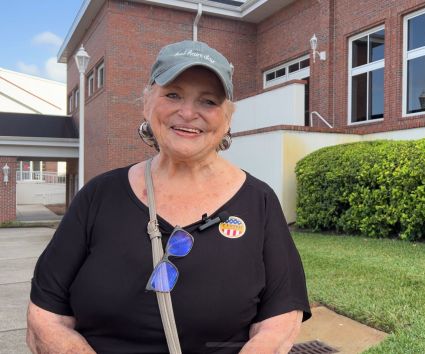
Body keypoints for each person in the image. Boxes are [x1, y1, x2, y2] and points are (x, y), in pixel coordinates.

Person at [26, 40, 311, 353]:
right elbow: (45, 316)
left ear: (227, 118)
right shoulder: (97, 196)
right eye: (173, 95)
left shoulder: (259, 201)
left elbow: (281, 318)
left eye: (208, 101)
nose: (187, 113)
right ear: (147, 103)